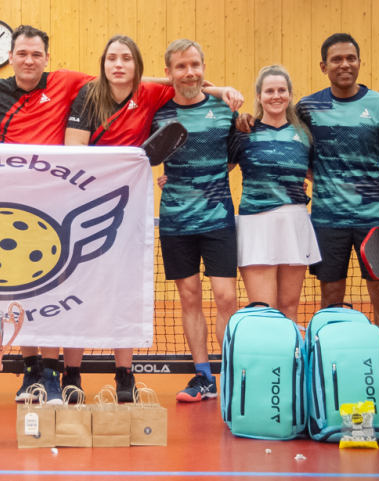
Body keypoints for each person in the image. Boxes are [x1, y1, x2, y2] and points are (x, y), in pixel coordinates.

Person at [0, 27, 242, 405]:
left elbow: (169, 82)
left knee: (98, 290)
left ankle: (99, 373)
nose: (29, 60)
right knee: (28, 292)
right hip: (21, 205)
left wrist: (220, 90)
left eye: (36, 54)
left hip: (92, 206)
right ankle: (33, 371)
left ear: (47, 58)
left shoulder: (74, 83)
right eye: (22, 54)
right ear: (11, 56)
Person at [292, 33, 379, 404]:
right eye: (337, 59)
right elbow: (296, 153)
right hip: (327, 220)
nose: (344, 64)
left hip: (373, 221)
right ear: (323, 66)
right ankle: (333, 372)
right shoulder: (307, 108)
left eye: (351, 58)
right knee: (331, 295)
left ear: (359, 62)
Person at [62, 35, 178, 403]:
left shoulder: (149, 94)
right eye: (112, 57)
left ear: (136, 66)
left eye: (126, 58)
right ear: (103, 63)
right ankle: (71, 374)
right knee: (79, 290)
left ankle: (124, 374)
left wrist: (223, 91)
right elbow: (74, 148)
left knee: (124, 291)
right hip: (85, 205)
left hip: (130, 207)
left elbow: (185, 82)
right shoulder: (88, 95)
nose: (118, 64)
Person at [152, 39, 240, 403]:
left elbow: (232, 158)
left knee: (226, 297)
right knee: (189, 298)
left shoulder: (224, 109)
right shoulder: (157, 114)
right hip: (175, 221)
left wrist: (218, 90)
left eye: (195, 65)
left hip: (218, 218)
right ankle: (203, 377)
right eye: (180, 67)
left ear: (204, 67)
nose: (189, 73)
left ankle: (232, 374)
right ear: (169, 72)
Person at [229, 65, 319, 322]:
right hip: (256, 224)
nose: (276, 96)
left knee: (289, 307)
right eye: (269, 91)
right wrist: (176, 179)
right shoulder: (244, 133)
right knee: (264, 310)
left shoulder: (304, 134)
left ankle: (291, 351)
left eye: (281, 90)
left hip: (294, 223)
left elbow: (316, 175)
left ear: (290, 95)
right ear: (259, 96)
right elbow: (218, 170)